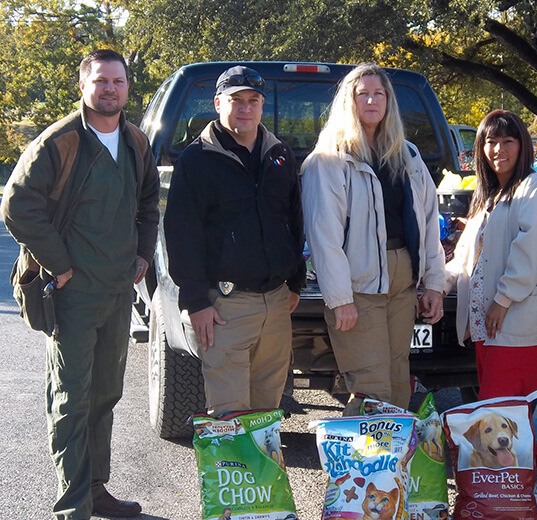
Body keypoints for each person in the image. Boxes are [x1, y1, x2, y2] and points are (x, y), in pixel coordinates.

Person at [1, 50, 159, 518]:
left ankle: (95, 488)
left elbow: (149, 202)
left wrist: (143, 254)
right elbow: (17, 204)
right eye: (100, 81)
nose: (109, 88)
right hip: (71, 294)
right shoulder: (61, 142)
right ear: (84, 87)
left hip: (116, 292)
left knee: (106, 393)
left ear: (128, 87)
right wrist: (59, 264)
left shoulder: (135, 141)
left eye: (117, 81)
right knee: (72, 397)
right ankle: (73, 506)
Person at [301, 63, 446, 416]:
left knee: (398, 379)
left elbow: (428, 221)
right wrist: (339, 299)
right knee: (372, 387)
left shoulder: (407, 154)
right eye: (362, 93)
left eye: (378, 93)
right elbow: (324, 237)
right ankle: (356, 470)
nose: (371, 100)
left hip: (403, 278)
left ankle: (391, 468)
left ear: (388, 101)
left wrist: (434, 285)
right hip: (358, 283)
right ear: (348, 102)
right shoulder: (329, 159)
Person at [164, 66, 305, 416]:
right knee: (230, 415)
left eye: (253, 100)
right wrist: (196, 300)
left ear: (262, 105)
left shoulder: (280, 154)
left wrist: (296, 281)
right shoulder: (197, 160)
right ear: (217, 103)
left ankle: (260, 473)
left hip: (276, 303)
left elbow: (294, 220)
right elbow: (182, 233)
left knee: (267, 413)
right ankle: (233, 472)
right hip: (224, 307)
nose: (245, 108)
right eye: (236, 100)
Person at [444, 109, 537, 510]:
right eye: (490, 142)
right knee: (505, 411)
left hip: (519, 325)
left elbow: (527, 256)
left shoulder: (535, 189)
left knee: (504, 412)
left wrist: (501, 300)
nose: (498, 149)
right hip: (492, 328)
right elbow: (467, 259)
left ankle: (517, 491)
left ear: (523, 145)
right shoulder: (490, 195)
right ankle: (508, 488)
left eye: (507, 140)